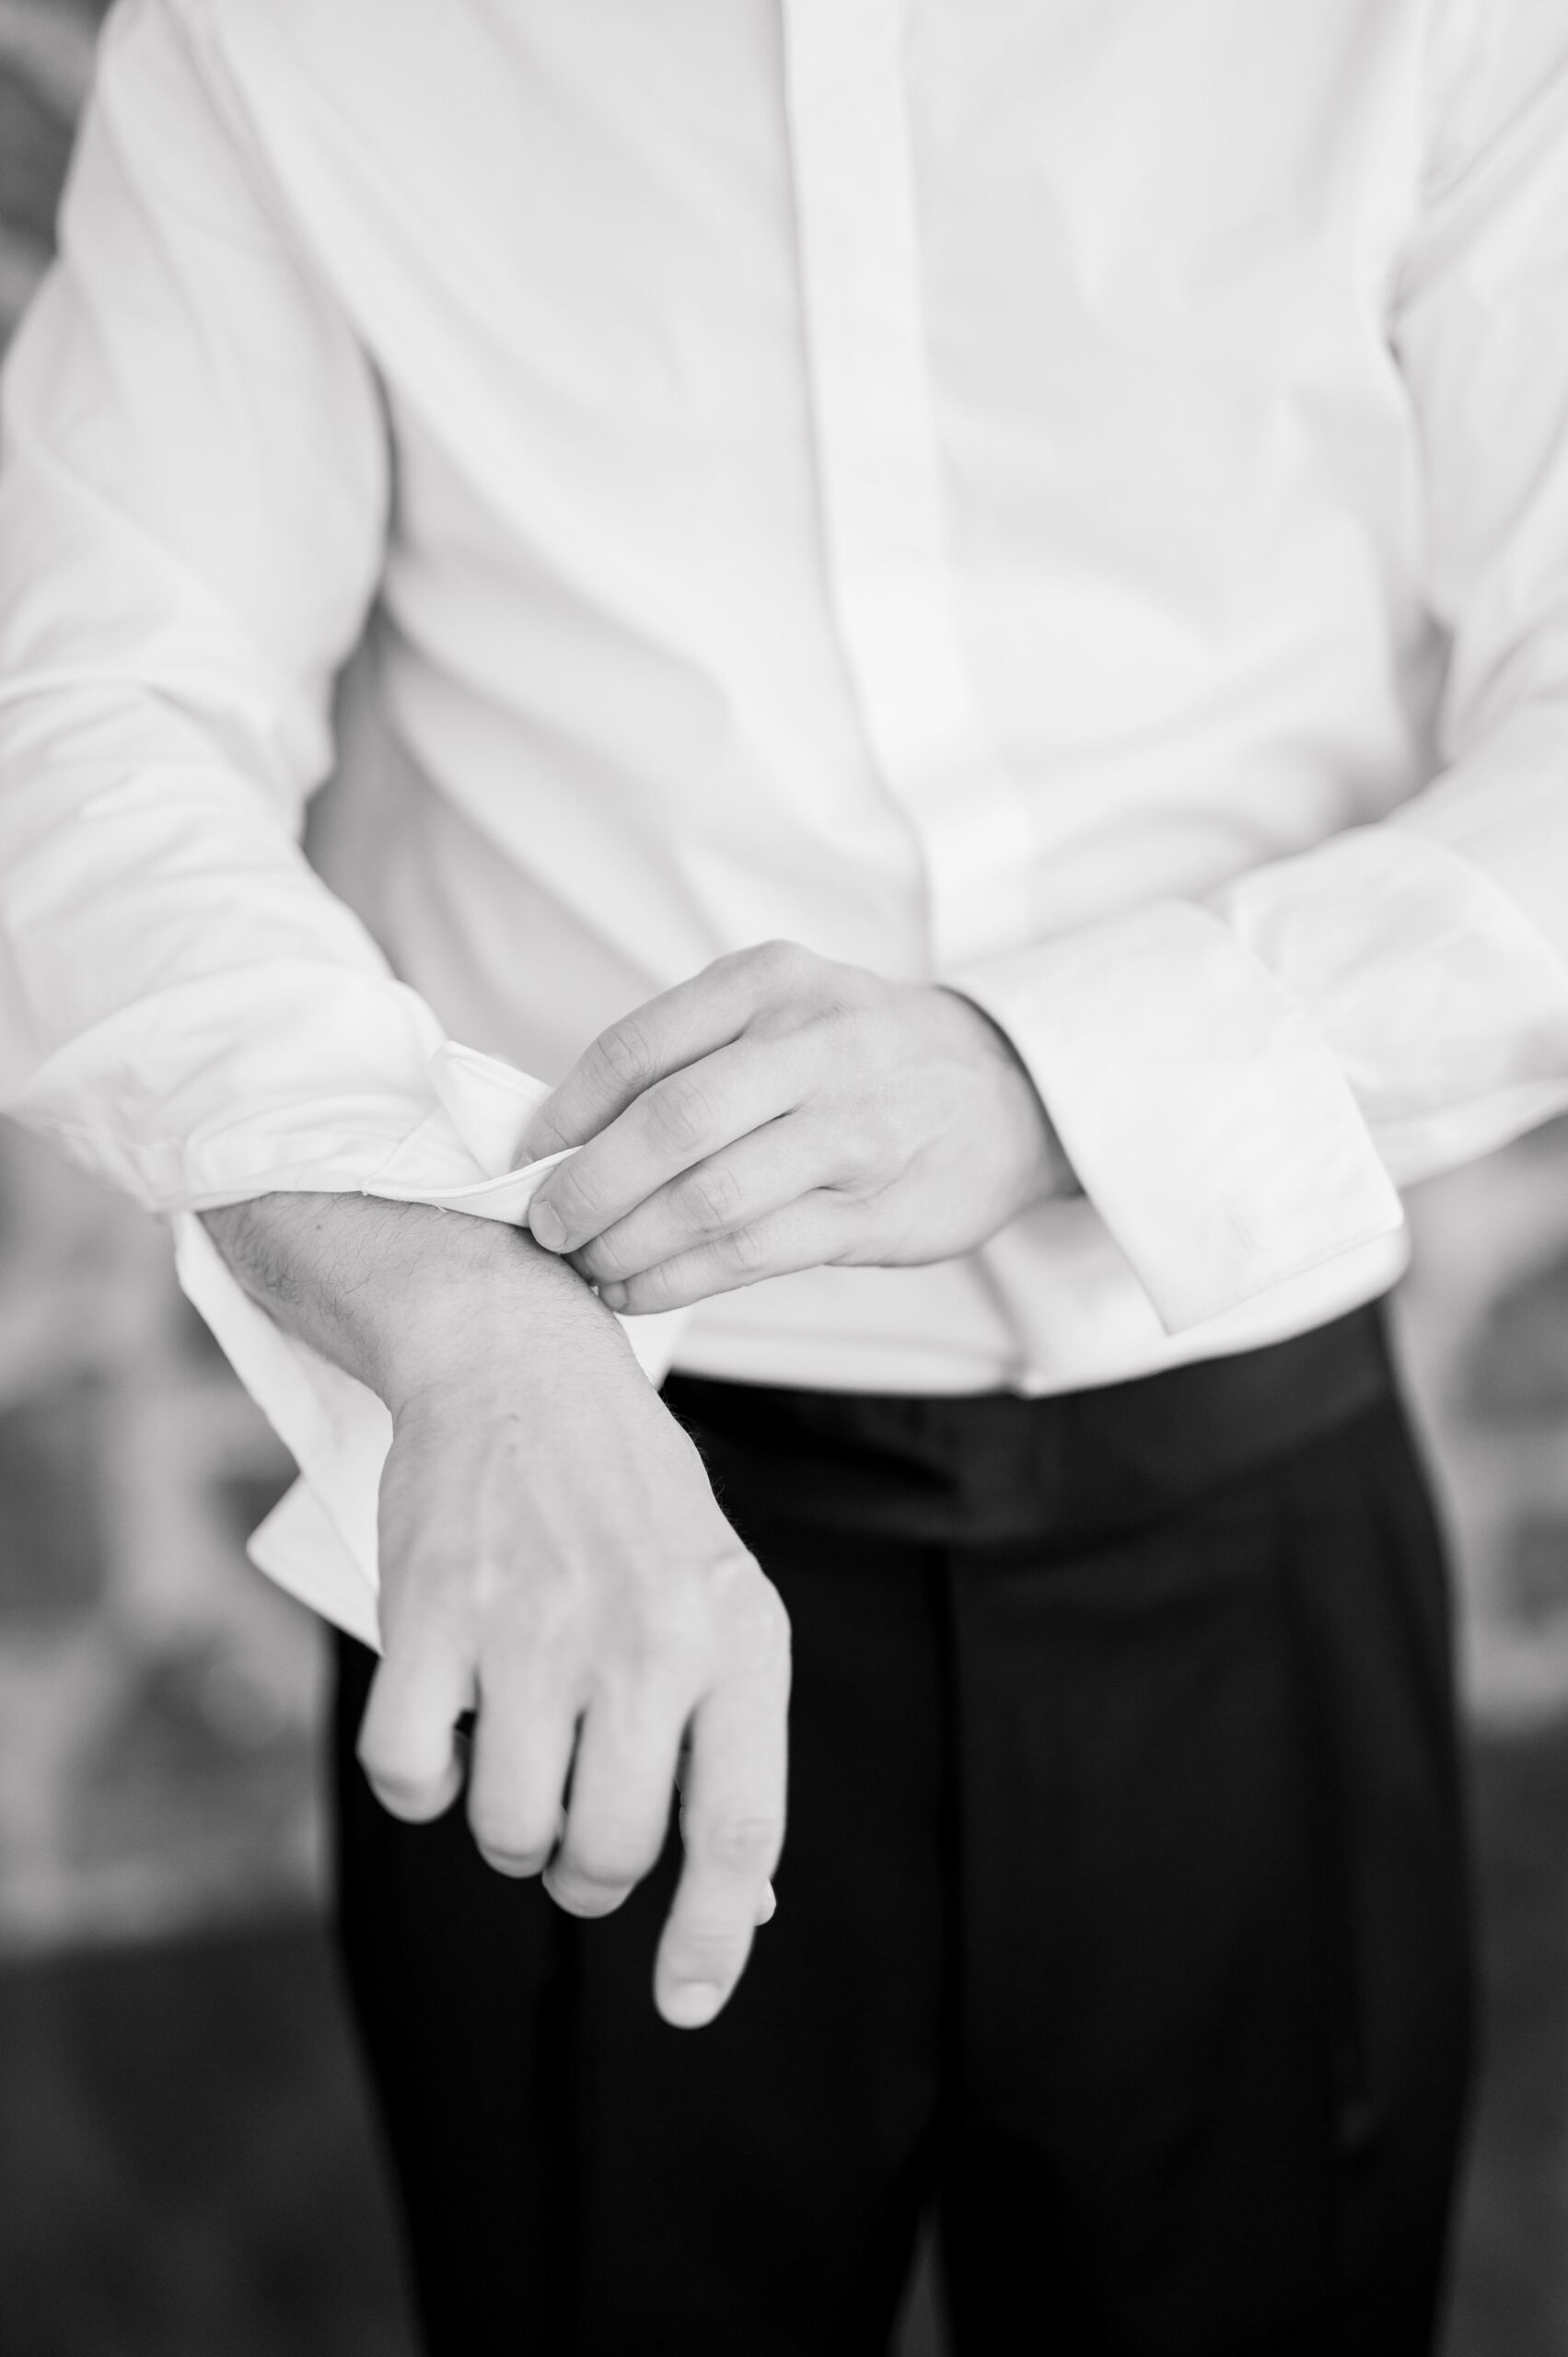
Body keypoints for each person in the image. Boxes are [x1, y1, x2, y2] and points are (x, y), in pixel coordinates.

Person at [4, 0, 1565, 2346]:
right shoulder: (292, 32)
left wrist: (1057, 1076)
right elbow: (77, 718)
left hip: (1239, 1508)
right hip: (566, 1515)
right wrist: (460, 1315)